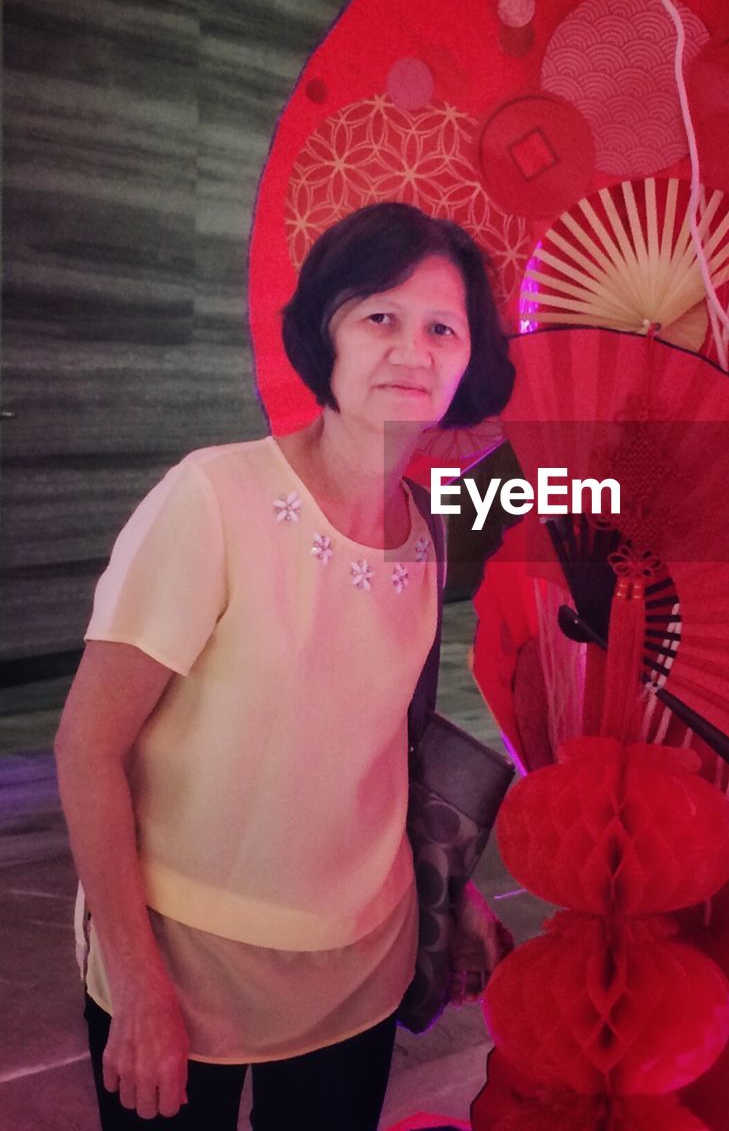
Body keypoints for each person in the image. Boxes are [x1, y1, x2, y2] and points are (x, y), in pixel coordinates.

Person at [54, 202, 515, 1129]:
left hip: (360, 969)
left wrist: (449, 892)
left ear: (469, 361)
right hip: (184, 962)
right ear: (325, 334)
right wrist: (139, 988)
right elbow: (86, 746)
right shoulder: (213, 497)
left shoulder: (425, 543)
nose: (411, 349)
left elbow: (386, 748)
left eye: (441, 328)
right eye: (378, 316)